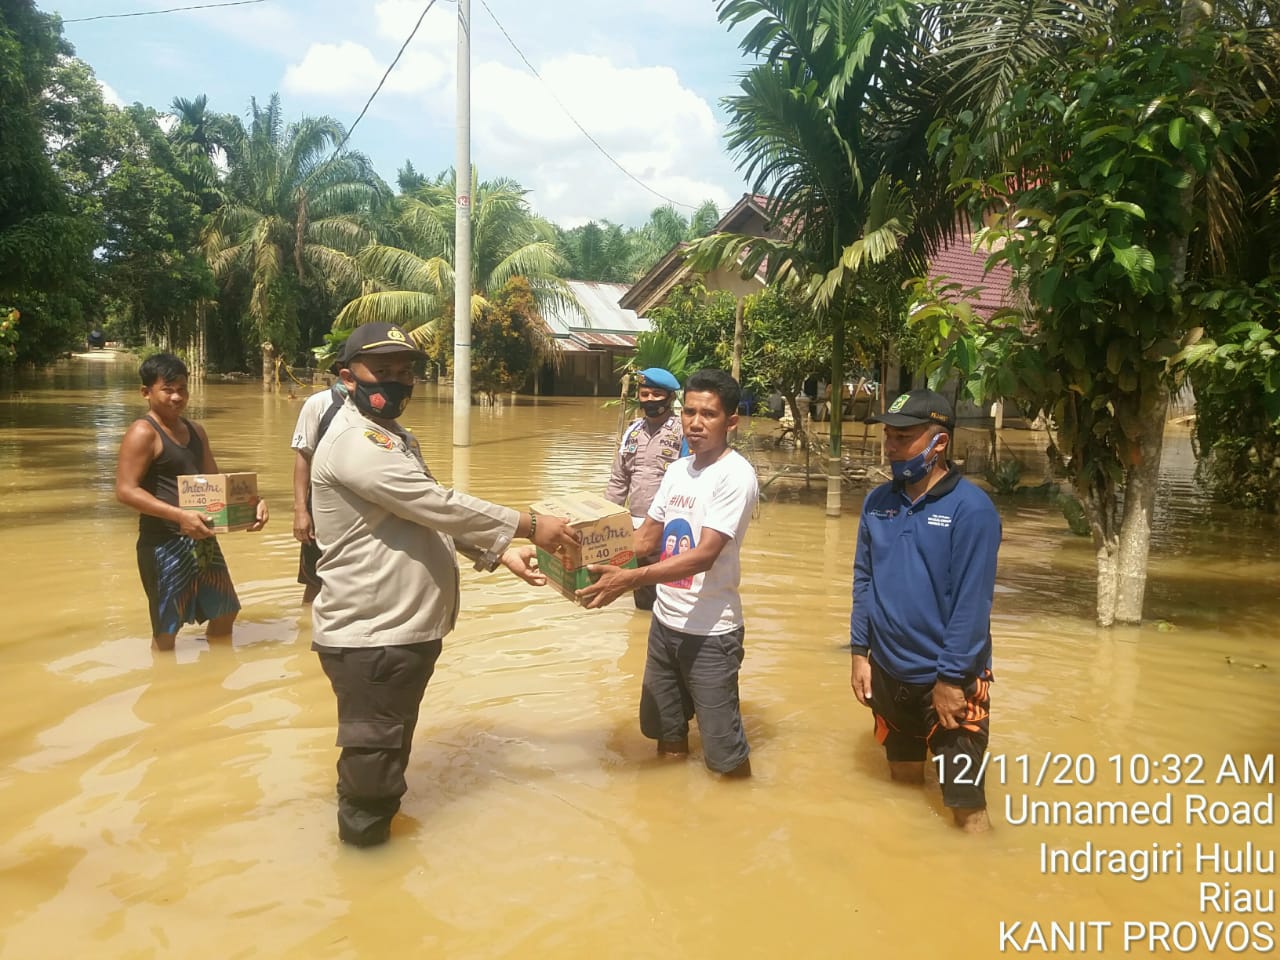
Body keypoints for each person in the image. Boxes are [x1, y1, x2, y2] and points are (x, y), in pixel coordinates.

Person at [309, 322, 579, 848]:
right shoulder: (354, 443)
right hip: (373, 635)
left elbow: (420, 515)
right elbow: (437, 503)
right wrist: (529, 524)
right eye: (382, 371)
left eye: (405, 371)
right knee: (372, 773)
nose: (398, 381)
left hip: (397, 633)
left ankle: (377, 863)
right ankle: (366, 879)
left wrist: (498, 551)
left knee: (387, 754)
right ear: (346, 377)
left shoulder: (390, 437)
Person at [580, 369, 759, 779]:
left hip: (711, 633)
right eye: (690, 412)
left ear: (731, 421)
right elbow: (645, 540)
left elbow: (704, 556)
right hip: (665, 626)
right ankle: (669, 814)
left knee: (724, 755)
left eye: (708, 415)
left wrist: (627, 580)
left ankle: (737, 822)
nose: (695, 423)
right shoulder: (679, 470)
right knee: (667, 736)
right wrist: (581, 553)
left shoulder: (735, 475)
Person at [847, 389, 1001, 833]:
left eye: (903, 437)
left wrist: (951, 679)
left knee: (967, 807)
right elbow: (864, 579)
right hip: (889, 674)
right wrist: (861, 652)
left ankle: (979, 882)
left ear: (939, 444)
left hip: (950, 684)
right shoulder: (879, 503)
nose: (890, 446)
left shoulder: (972, 510)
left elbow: (973, 604)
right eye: (889, 436)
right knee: (902, 783)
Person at [115, 353, 269, 651]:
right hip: (163, 542)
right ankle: (164, 685)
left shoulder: (196, 431)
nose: (177, 397)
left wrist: (254, 503)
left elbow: (215, 484)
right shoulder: (143, 432)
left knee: (225, 611)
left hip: (202, 538)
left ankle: (216, 677)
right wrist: (179, 516)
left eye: (182, 389)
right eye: (168, 389)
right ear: (146, 393)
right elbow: (125, 490)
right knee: (167, 628)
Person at [604, 367, 685, 611]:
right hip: (635, 528)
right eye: (645, 394)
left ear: (670, 397)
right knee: (642, 593)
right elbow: (619, 480)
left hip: (672, 527)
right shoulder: (632, 431)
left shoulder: (683, 433)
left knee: (674, 593)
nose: (649, 400)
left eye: (656, 394)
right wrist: (604, 519)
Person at [290, 370, 346, 604]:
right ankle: (306, 634)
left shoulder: (378, 407)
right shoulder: (319, 404)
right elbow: (304, 458)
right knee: (315, 581)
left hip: (363, 509)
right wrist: (301, 510)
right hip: (323, 508)